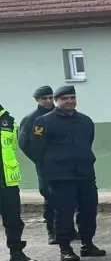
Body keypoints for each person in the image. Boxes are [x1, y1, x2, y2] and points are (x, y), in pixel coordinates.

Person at [28, 86, 105, 261]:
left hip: (84, 174)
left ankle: (87, 244)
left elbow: (88, 142)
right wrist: (48, 172)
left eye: (72, 97)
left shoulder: (85, 121)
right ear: (56, 100)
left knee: (88, 211)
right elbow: (36, 150)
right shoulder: (43, 122)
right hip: (60, 177)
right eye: (65, 98)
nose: (70, 101)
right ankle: (65, 248)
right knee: (63, 213)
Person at [0, 100, 37, 261]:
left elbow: (12, 147)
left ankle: (16, 254)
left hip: (7, 182)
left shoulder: (7, 119)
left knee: (13, 220)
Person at [17, 85, 56, 244]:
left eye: (50, 97)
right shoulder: (31, 119)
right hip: (45, 165)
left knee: (68, 198)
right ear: (37, 100)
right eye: (44, 98)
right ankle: (52, 231)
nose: (48, 101)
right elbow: (24, 143)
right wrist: (39, 159)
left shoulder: (60, 114)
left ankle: (68, 229)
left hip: (65, 164)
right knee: (50, 197)